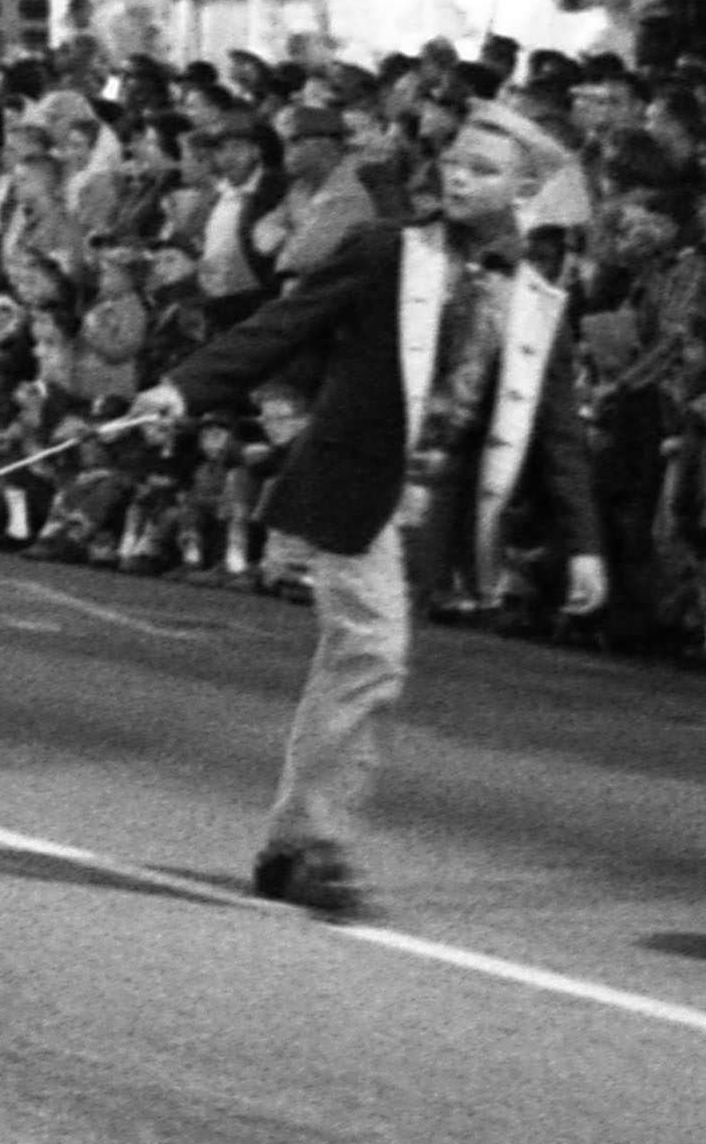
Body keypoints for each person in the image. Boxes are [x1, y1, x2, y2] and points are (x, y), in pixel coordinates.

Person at [136, 104, 582, 923]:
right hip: (353, 486)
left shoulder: (537, 296)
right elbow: (284, 322)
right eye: (455, 159)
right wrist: (185, 386)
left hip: (436, 511)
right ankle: (315, 844)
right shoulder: (387, 250)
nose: (459, 175)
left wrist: (581, 544)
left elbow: (553, 424)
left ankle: (288, 844)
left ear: (523, 189)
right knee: (372, 649)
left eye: (484, 169)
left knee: (361, 662)